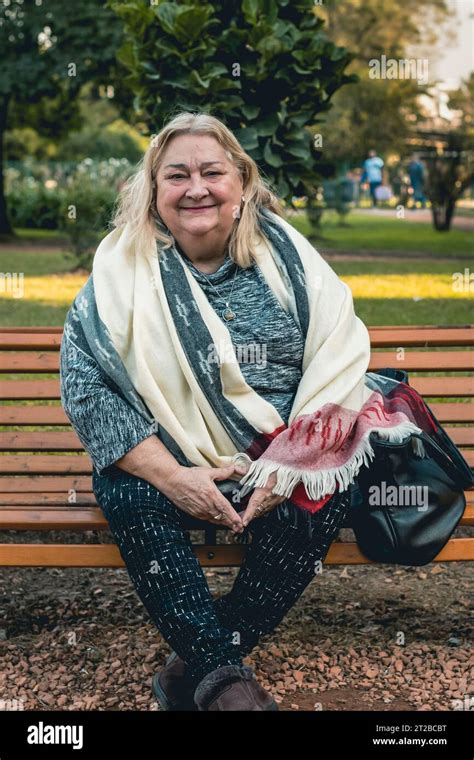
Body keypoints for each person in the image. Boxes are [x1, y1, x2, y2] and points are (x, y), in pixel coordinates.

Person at [59, 112, 424, 712]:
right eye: (176, 175)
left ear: (243, 184)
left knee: (319, 495)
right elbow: (88, 389)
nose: (195, 187)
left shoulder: (291, 263)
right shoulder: (117, 278)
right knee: (128, 491)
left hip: (281, 454)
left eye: (212, 171)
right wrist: (173, 475)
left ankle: (197, 668)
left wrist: (290, 462)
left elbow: (338, 358)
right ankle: (229, 687)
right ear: (154, 192)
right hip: (170, 461)